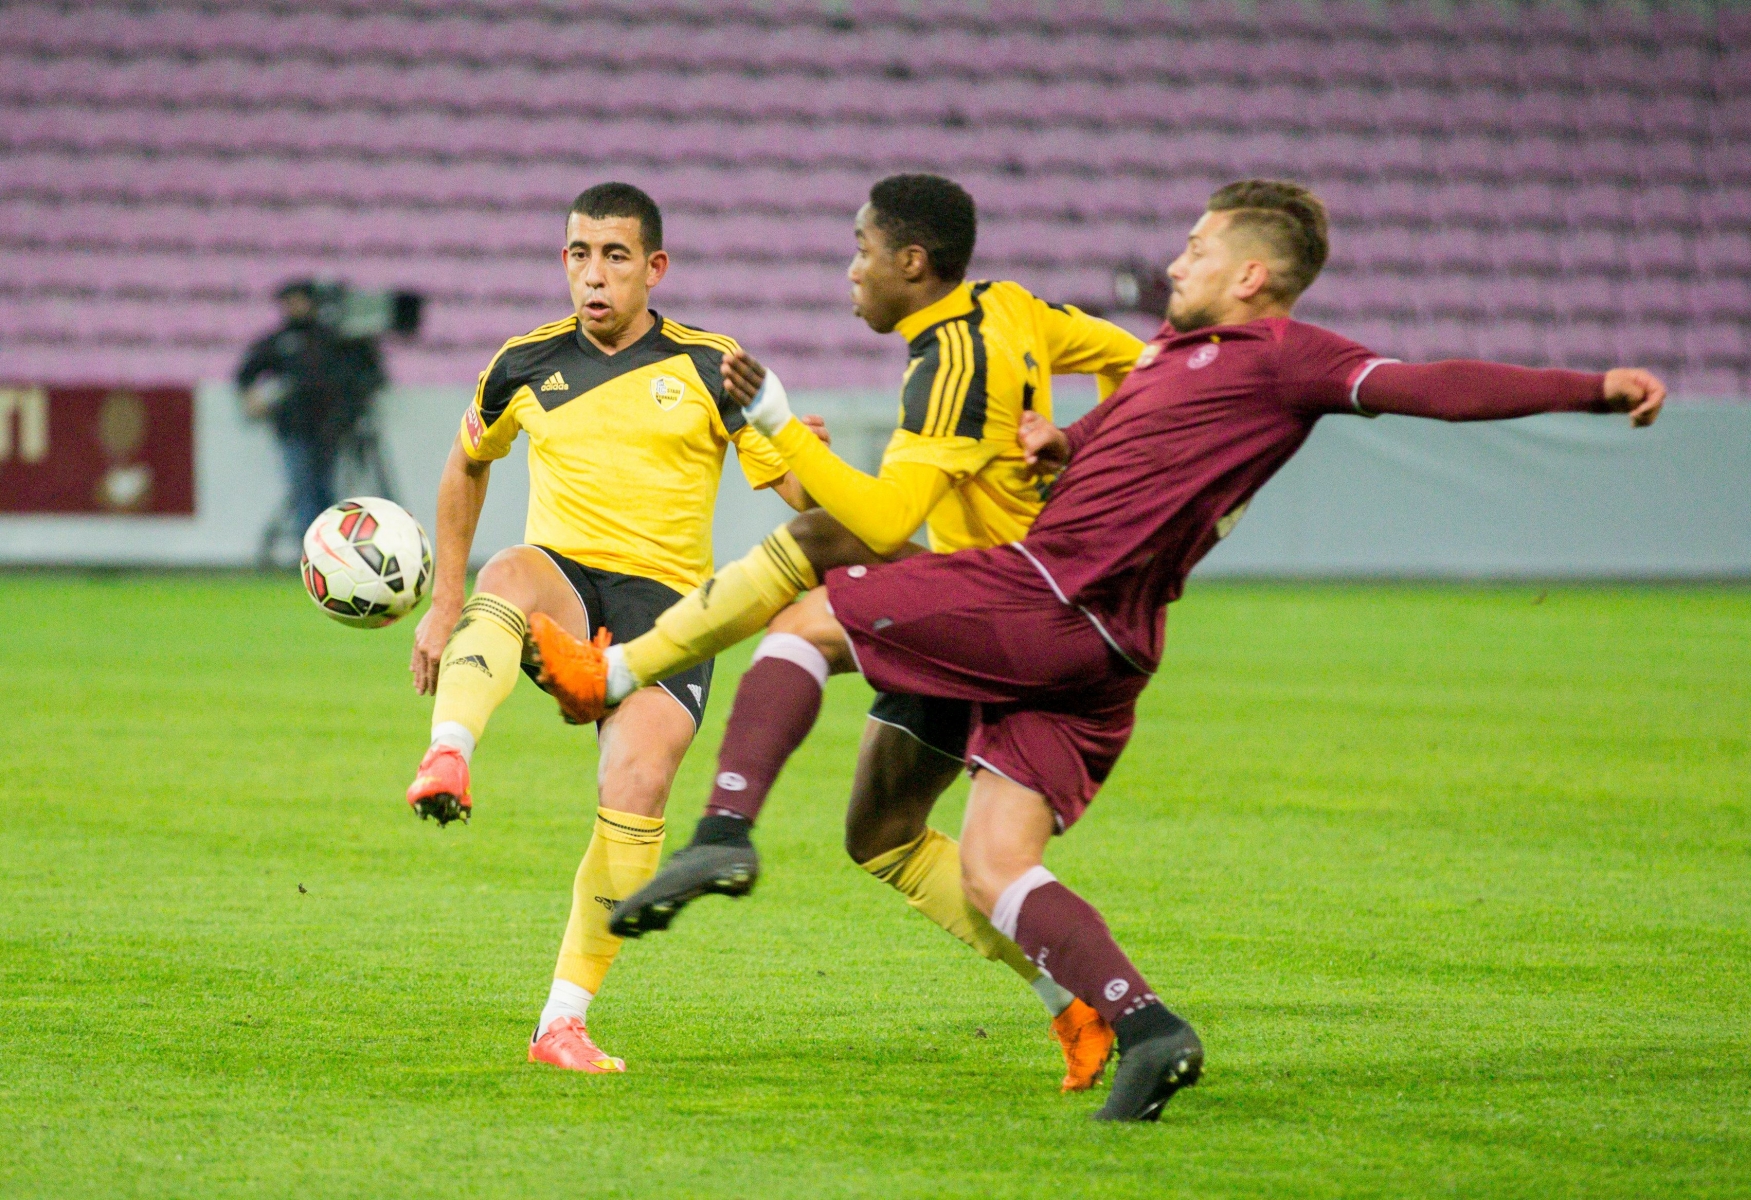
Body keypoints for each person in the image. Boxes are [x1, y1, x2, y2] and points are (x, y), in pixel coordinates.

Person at [534, 179, 1666, 1120]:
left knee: (806, 617)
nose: (1177, 259)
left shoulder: (1285, 358)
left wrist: (1591, 389)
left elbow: (1424, 385)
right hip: (1108, 652)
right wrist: (1059, 444)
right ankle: (1146, 1028)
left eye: (1198, 247)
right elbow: (1120, 452)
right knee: (993, 865)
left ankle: (724, 829)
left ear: (1252, 275)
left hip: (1044, 599)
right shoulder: (1170, 356)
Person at [533, 173, 1147, 1090]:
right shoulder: (1015, 309)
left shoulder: (949, 365)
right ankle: (1073, 1000)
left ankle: (621, 676)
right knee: (885, 835)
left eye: (861, 250)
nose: (851, 270)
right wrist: (1079, 448)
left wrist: (782, 427)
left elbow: (885, 520)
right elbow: (1138, 363)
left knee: (822, 549)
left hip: (997, 617)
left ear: (910, 261)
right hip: (987, 603)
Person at [403, 182, 820, 1075]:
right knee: (508, 569)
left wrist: (812, 458)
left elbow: (805, 497)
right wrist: (442, 607)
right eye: (578, 254)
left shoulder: (715, 367)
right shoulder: (522, 364)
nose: (593, 275)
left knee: (637, 785)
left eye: (615, 256)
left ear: (654, 268)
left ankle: (562, 1022)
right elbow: (466, 464)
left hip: (668, 612)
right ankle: (448, 753)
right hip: (566, 580)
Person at [235, 280, 385, 546]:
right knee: (304, 489)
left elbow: (363, 373)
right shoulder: (279, 340)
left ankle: (324, 548)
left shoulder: (332, 338)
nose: (293, 307)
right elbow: (246, 372)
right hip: (292, 428)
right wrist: (252, 396)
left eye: (298, 300)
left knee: (324, 490)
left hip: (329, 428)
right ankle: (311, 549)